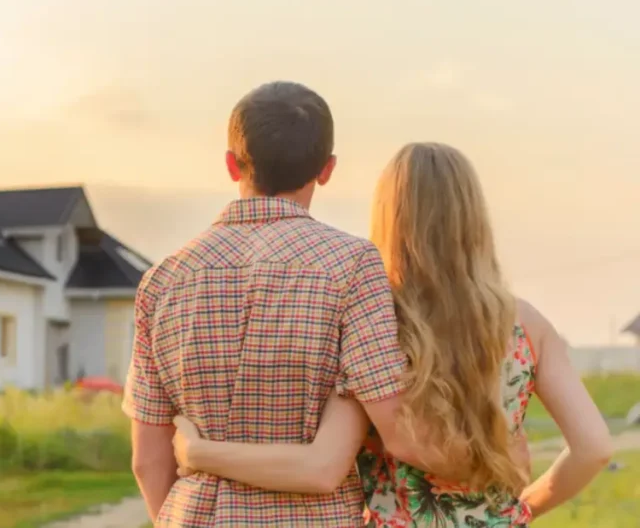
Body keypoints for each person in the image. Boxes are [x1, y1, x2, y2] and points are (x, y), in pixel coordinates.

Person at [171, 142, 614, 526]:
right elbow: (593, 448)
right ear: (474, 217)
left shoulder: (372, 319)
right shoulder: (527, 324)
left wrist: (198, 452)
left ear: (388, 216)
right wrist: (524, 508)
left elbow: (323, 461)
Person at [123, 83, 468, 527]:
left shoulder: (163, 280)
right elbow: (397, 429)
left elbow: (147, 460)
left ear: (231, 164)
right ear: (327, 169)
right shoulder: (353, 265)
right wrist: (490, 459)